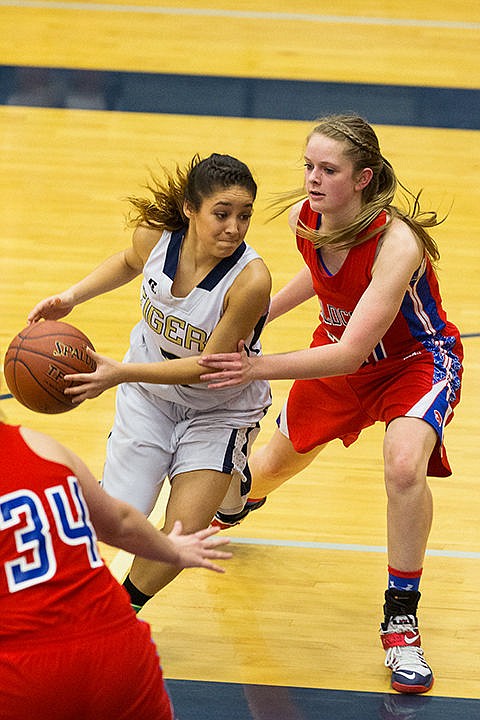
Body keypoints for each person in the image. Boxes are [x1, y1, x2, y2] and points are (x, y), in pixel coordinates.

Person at [198, 115, 464, 694]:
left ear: (363, 178)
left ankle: (401, 620)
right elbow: (319, 277)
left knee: (402, 465)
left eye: (328, 170)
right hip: (338, 358)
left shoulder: (398, 244)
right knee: (265, 472)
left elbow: (350, 353)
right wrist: (257, 314)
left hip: (412, 362)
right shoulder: (306, 218)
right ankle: (241, 506)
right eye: (309, 166)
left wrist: (253, 364)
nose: (312, 180)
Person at [27, 153, 272, 613]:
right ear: (190, 209)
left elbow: (207, 366)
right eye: (222, 214)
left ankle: (121, 610)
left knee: (184, 532)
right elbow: (126, 261)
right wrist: (71, 297)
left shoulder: (251, 280)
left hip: (218, 408)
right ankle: (231, 484)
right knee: (120, 514)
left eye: (244, 217)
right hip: (150, 397)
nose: (234, 228)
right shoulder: (156, 238)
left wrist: (120, 373)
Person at [0, 406, 232, 719]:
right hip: (120, 648)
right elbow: (119, 522)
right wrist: (172, 551)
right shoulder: (40, 445)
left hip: (25, 670)